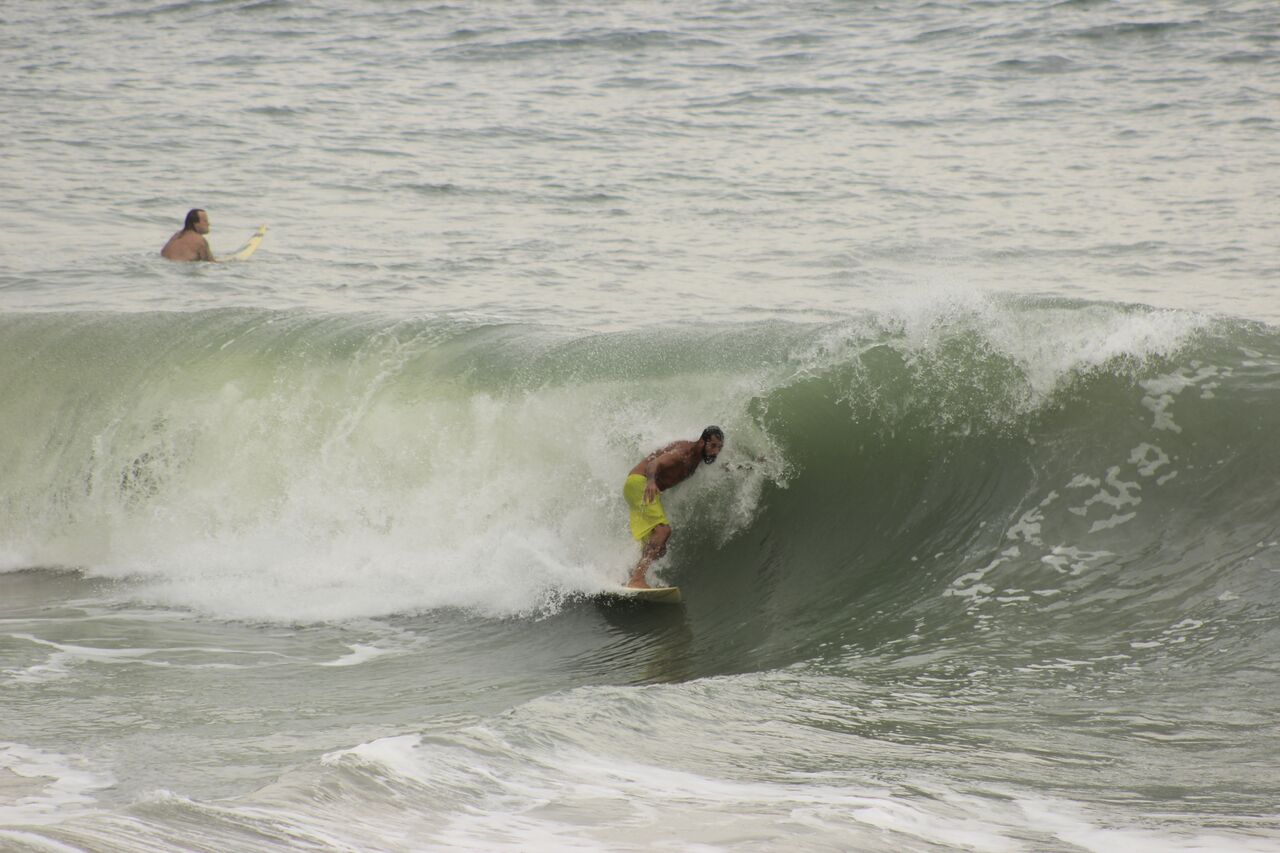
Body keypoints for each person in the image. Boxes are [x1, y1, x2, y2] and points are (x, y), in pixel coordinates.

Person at [622, 425, 725, 589]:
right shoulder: (684, 453)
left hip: (636, 486)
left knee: (659, 548)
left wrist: (751, 466)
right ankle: (637, 579)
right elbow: (654, 464)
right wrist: (650, 482)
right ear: (702, 442)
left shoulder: (697, 459)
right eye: (713, 446)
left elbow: (724, 468)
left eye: (719, 447)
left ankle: (629, 576)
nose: (716, 452)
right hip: (639, 483)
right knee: (663, 531)